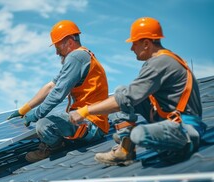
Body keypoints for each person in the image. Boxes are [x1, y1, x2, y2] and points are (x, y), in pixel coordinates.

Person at [69, 17, 206, 166]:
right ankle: (125, 149)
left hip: (186, 130)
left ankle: (182, 146)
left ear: (146, 43)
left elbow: (127, 99)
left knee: (138, 133)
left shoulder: (161, 63)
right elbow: (128, 94)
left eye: (134, 43)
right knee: (121, 90)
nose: (131, 48)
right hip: (169, 120)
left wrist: (84, 112)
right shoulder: (159, 61)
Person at [7, 20, 109, 163]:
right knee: (52, 119)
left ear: (69, 42)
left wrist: (36, 114)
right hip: (86, 119)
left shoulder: (76, 57)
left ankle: (54, 147)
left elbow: (58, 93)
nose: (56, 52)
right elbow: (50, 86)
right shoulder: (80, 57)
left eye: (57, 47)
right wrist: (24, 109)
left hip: (90, 122)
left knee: (44, 125)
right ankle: (63, 140)